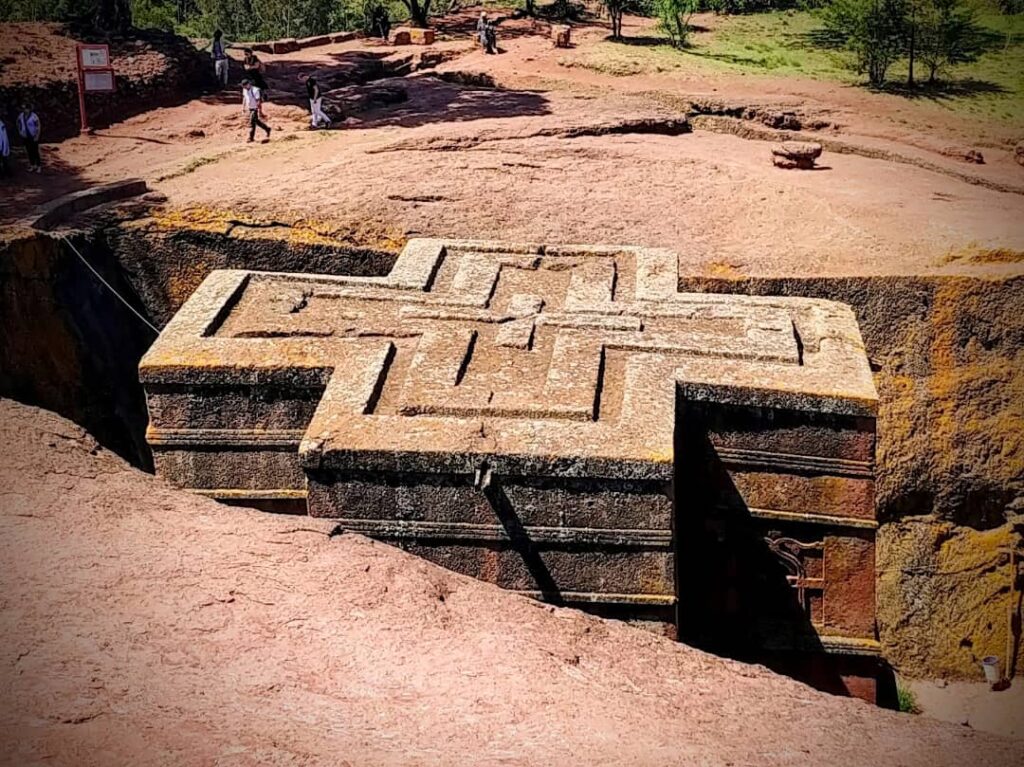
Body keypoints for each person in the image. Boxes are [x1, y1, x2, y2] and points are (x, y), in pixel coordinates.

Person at [241, 79, 271, 143]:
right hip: (250, 108)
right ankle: (267, 129)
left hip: (255, 108)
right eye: (243, 86)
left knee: (252, 122)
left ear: (249, 84)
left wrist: (260, 111)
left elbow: (258, 101)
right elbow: (244, 98)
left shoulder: (255, 90)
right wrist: (243, 107)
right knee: (256, 122)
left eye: (245, 86)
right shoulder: (244, 90)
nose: (245, 87)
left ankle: (251, 137)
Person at [17, 104, 41, 173]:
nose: (24, 110)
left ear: (29, 109)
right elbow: (18, 122)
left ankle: (38, 166)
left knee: (35, 151)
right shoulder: (21, 115)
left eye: (26, 109)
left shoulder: (34, 116)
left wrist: (37, 135)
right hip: (25, 136)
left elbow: (38, 126)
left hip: (33, 136)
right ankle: (32, 165)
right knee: (29, 151)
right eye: (23, 109)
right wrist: (20, 131)